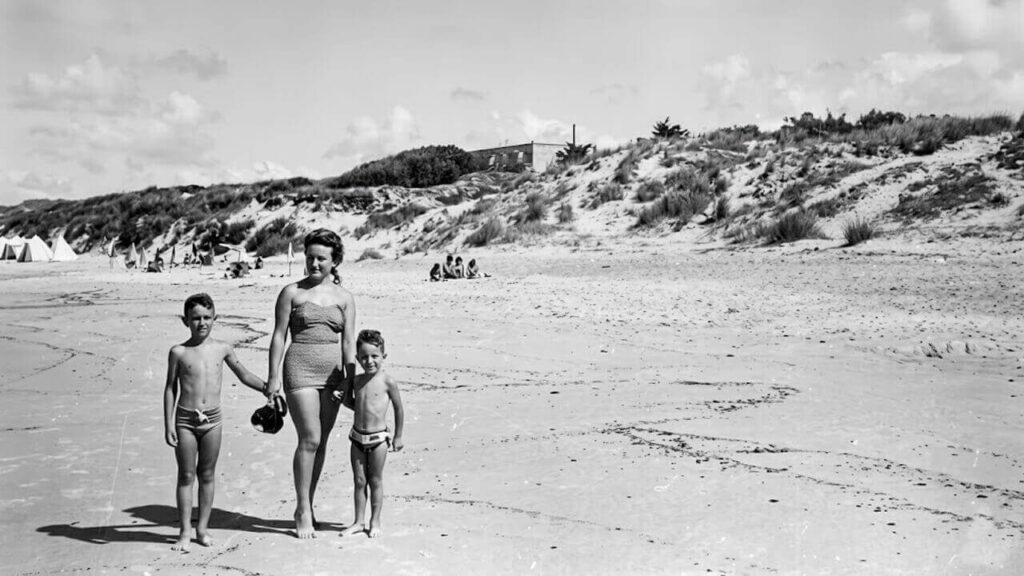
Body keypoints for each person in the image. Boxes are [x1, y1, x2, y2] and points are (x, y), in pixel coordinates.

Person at [267, 228, 356, 539]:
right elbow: (279, 336)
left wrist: (349, 380)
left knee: (322, 441)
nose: (314, 264)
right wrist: (272, 377)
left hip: (333, 374)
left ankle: (309, 503)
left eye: (322, 258)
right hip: (299, 368)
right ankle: (302, 508)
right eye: (310, 258)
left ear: (335, 261)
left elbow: (348, 344)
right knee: (310, 439)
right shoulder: (291, 292)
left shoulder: (345, 297)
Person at [164, 293, 267, 551]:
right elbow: (170, 389)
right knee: (186, 475)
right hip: (185, 420)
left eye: (207, 318)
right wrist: (168, 424)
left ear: (215, 319)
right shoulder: (178, 352)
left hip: (213, 421)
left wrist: (267, 388)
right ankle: (185, 531)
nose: (202, 323)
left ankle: (202, 529)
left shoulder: (223, 348)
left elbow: (242, 374)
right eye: (196, 318)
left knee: (207, 474)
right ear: (185, 320)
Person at [336, 329, 404, 538]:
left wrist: (398, 436)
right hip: (356, 437)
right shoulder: (356, 381)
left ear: (383, 356)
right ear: (357, 358)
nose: (369, 361)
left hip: (379, 440)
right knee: (359, 481)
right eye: (364, 357)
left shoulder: (388, 382)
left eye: (374, 356)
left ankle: (375, 522)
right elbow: (357, 406)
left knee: (375, 480)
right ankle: (358, 521)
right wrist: (342, 399)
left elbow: (398, 408)